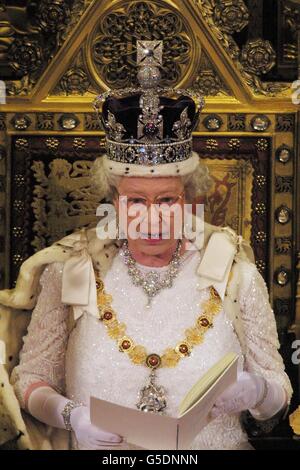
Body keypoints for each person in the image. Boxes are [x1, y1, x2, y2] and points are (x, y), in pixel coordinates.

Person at [3, 41, 292, 450]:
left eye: (167, 200)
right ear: (115, 201)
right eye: (136, 200)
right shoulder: (69, 273)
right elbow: (30, 380)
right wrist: (73, 417)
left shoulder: (235, 276)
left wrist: (258, 391)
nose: (153, 217)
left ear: (189, 199)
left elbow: (278, 393)